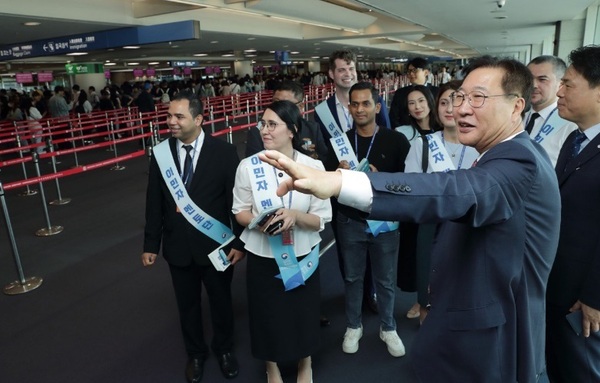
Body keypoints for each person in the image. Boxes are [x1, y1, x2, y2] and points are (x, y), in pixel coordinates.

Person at [258, 55, 560, 383]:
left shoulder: (519, 161)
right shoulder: (506, 153)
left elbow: (455, 191)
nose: (461, 108)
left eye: (478, 98)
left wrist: (339, 182)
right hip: (469, 318)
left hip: (495, 342)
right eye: (460, 96)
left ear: (516, 107)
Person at [141, 90, 244, 383]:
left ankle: (224, 349)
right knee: (187, 305)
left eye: (178, 116)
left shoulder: (224, 152)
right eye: (169, 116)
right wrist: (151, 243)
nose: (171, 121)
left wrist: (238, 242)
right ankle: (195, 354)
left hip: (216, 246)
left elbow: (234, 202)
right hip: (178, 247)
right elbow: (154, 202)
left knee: (222, 302)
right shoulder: (161, 154)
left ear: (198, 119)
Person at [232, 100, 332, 383]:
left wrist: (294, 215)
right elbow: (239, 211)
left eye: (272, 124)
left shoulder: (312, 166)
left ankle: (305, 363)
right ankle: (272, 366)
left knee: (303, 312)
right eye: (262, 123)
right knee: (267, 315)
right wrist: (257, 222)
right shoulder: (247, 167)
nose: (265, 130)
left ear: (292, 130)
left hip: (303, 254)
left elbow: (321, 220)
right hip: (264, 256)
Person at [334, 82, 410, 357]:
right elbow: (331, 185)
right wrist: (339, 173)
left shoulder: (395, 140)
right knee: (353, 277)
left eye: (365, 103)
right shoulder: (340, 141)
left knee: (386, 279)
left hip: (385, 221)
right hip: (350, 220)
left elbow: (407, 182)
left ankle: (388, 327)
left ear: (377, 107)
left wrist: (381, 177)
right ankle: (354, 325)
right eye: (354, 104)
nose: (359, 109)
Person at [314, 49, 388, 313]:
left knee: (377, 240)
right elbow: (321, 151)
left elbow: (386, 137)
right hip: (340, 189)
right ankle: (353, 289)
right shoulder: (322, 112)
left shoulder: (372, 102)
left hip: (371, 186)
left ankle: (374, 290)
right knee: (347, 244)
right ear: (332, 74)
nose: (348, 74)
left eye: (351, 69)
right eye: (342, 70)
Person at [402, 80, 479, 323]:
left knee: (465, 297)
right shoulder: (423, 145)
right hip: (431, 229)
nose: (449, 108)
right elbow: (410, 190)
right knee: (429, 296)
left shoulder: (480, 145)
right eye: (443, 102)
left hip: (470, 229)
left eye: (455, 101)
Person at [546, 45, 600, 383]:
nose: (559, 92)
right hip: (561, 283)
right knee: (559, 365)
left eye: (568, 84)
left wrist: (596, 298)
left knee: (582, 372)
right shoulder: (575, 140)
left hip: (586, 299)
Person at [245, 80, 328, 161]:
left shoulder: (312, 128)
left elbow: (323, 160)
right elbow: (254, 166)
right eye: (276, 102)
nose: (279, 108)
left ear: (301, 107)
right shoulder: (258, 132)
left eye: (286, 104)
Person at [524, 55, 577, 166]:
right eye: (529, 78)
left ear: (560, 84)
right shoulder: (518, 116)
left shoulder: (570, 124)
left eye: (542, 79)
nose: (533, 85)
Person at [389, 57, 439, 128]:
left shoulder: (437, 92)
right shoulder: (400, 93)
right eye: (409, 71)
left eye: (415, 70)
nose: (411, 74)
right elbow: (393, 118)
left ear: (426, 72)